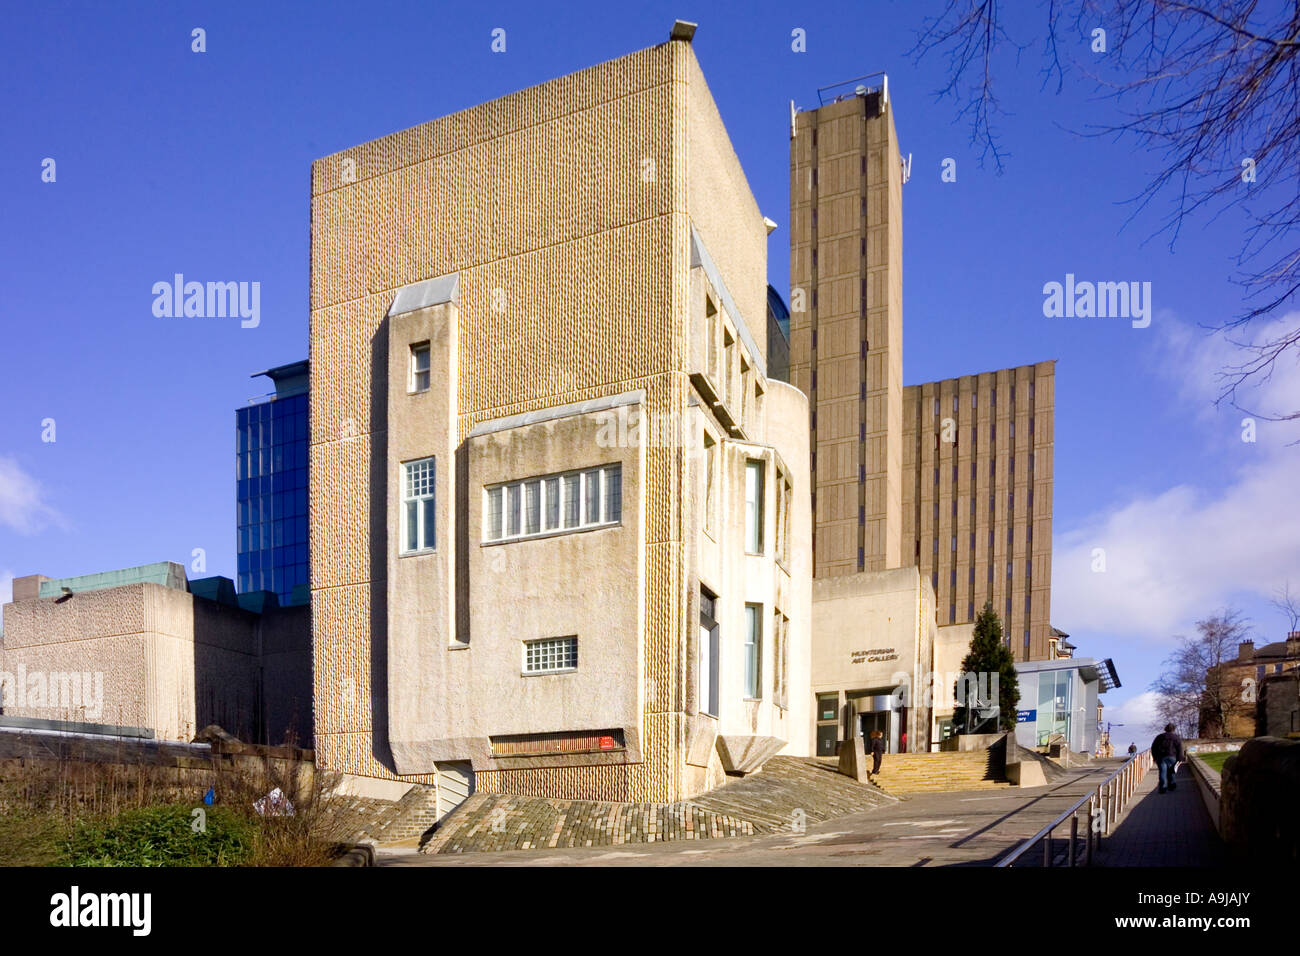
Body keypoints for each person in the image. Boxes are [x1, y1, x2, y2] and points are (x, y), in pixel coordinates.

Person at [1150, 723, 1185, 793]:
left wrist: (1154, 757)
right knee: (1172, 772)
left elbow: (1153, 747)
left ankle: (1163, 788)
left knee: (1162, 772)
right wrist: (1180, 758)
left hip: (1161, 757)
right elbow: (1180, 748)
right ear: (1173, 729)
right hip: (1172, 757)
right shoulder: (1176, 737)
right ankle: (1172, 785)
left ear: (1165, 729)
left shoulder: (1159, 737)